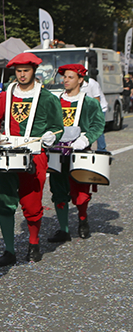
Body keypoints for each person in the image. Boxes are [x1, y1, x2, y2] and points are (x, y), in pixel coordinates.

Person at [0, 53, 64, 265]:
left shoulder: (48, 98)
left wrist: (52, 136)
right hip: (7, 155)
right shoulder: (5, 95)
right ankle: (9, 250)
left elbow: (58, 127)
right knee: (4, 202)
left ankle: (34, 244)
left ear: (34, 71)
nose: (22, 75)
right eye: (18, 71)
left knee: (32, 203)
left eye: (26, 71)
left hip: (35, 155)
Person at [48, 64, 105, 242]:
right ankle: (63, 229)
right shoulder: (55, 101)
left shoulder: (90, 103)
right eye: (64, 77)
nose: (65, 80)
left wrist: (85, 140)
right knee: (58, 190)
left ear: (81, 80)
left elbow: (97, 125)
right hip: (57, 153)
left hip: (80, 152)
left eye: (70, 77)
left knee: (81, 193)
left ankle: (82, 219)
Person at [81, 73, 109, 150]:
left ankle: (101, 149)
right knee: (85, 128)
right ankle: (86, 147)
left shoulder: (92, 83)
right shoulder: (75, 86)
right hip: (86, 109)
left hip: (99, 108)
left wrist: (94, 114)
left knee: (97, 128)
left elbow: (97, 99)